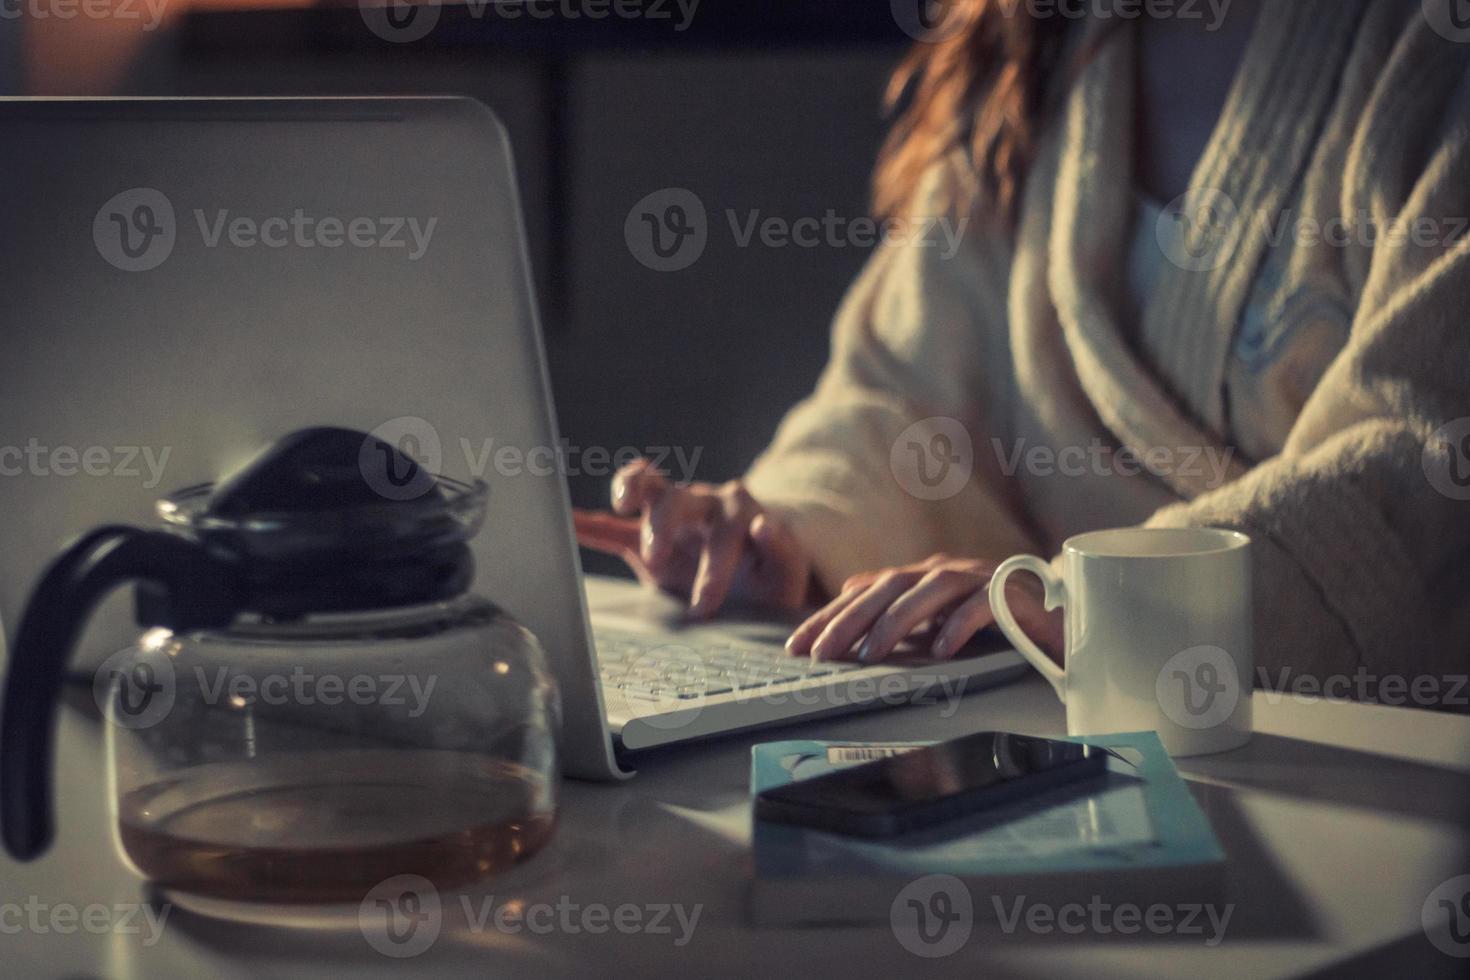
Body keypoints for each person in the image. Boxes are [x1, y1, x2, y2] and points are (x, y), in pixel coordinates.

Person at [577, 0, 1470, 704]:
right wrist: (788, 530)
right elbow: (904, 396)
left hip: (1355, 748)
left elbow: (1423, 454)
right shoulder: (1028, 54)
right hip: (1054, 717)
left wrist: (1096, 603)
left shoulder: (1433, 48)